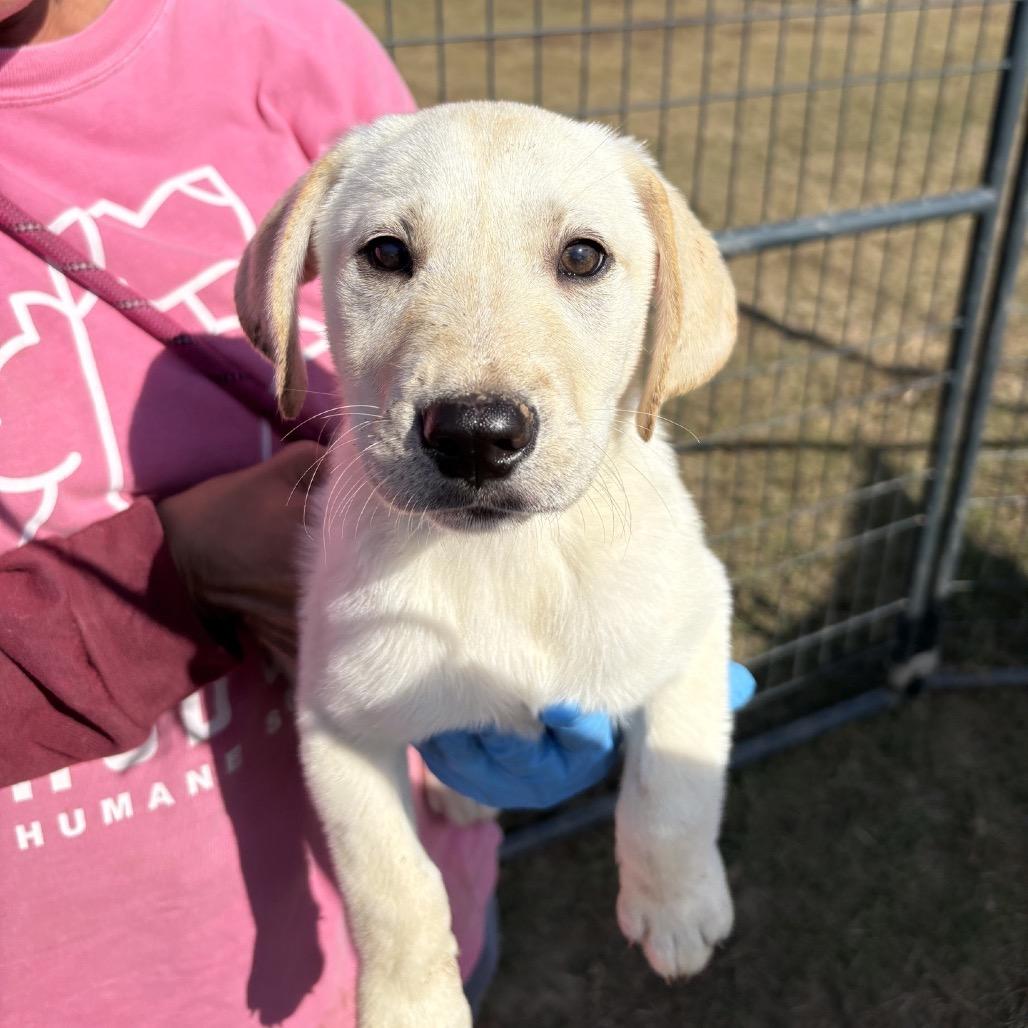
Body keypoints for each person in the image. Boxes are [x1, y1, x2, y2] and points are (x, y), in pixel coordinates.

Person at [0, 1, 625, 1023]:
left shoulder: (284, 34)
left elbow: (482, 328)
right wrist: (181, 576)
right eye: (380, 255)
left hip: (403, 921)